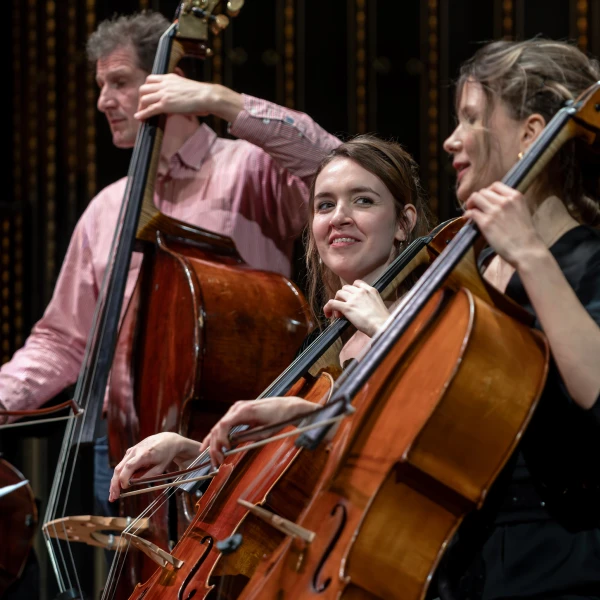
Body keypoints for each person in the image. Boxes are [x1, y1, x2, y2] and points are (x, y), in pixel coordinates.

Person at [112, 38, 600, 600]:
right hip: (465, 561)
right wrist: (290, 418)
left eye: (471, 118)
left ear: (532, 133)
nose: (451, 139)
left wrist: (527, 259)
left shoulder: (579, 265)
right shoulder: (477, 269)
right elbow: (421, 425)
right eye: (324, 205)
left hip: (553, 565)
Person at [0, 9, 340, 524]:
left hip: (235, 433)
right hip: (123, 440)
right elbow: (63, 340)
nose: (103, 100)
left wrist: (222, 101)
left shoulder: (248, 168)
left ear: (170, 81)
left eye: (119, 82)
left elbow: (334, 163)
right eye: (100, 85)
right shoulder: (106, 209)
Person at [108, 133, 434, 498]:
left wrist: (385, 329)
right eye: (325, 205)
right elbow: (286, 482)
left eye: (363, 201)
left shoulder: (434, 315)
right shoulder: (317, 348)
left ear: (403, 223)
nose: (339, 217)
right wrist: (189, 453)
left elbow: (448, 425)